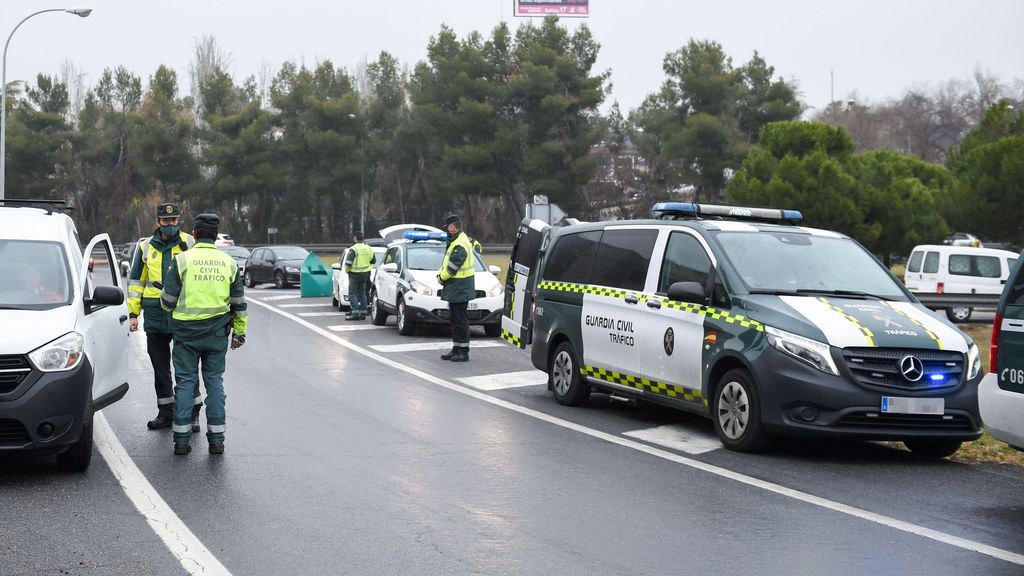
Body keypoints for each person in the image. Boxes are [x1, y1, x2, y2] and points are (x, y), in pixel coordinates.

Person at [160, 213, 247, 455]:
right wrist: (239, 334)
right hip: (217, 334)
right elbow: (239, 302)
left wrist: (166, 302)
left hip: (186, 335)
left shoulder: (182, 260)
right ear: (216, 237)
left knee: (186, 383)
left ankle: (181, 440)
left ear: (195, 234)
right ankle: (217, 440)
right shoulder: (228, 263)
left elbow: (167, 301)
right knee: (215, 383)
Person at [127, 202, 200, 431]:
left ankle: (192, 413)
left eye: (174, 220)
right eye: (166, 221)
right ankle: (166, 412)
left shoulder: (189, 243)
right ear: (158, 221)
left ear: (179, 220)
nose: (170, 224)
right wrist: (133, 313)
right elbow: (137, 281)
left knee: (186, 367)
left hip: (182, 313)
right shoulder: (145, 247)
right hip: (156, 315)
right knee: (160, 368)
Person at [436, 213, 476, 362]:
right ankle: (456, 348)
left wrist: (441, 278)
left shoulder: (459, 243)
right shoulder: (458, 240)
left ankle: (463, 351)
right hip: (457, 287)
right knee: (455, 320)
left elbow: (453, 266)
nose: (447, 230)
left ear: (453, 227)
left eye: (448, 227)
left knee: (460, 320)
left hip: (460, 286)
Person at [343, 231, 376, 321]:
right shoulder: (369, 248)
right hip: (365, 274)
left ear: (355, 238)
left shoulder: (353, 249)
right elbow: (373, 261)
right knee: (363, 293)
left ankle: (355, 313)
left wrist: (347, 271)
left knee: (352, 293)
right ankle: (363, 313)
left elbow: (348, 263)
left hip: (354, 274)